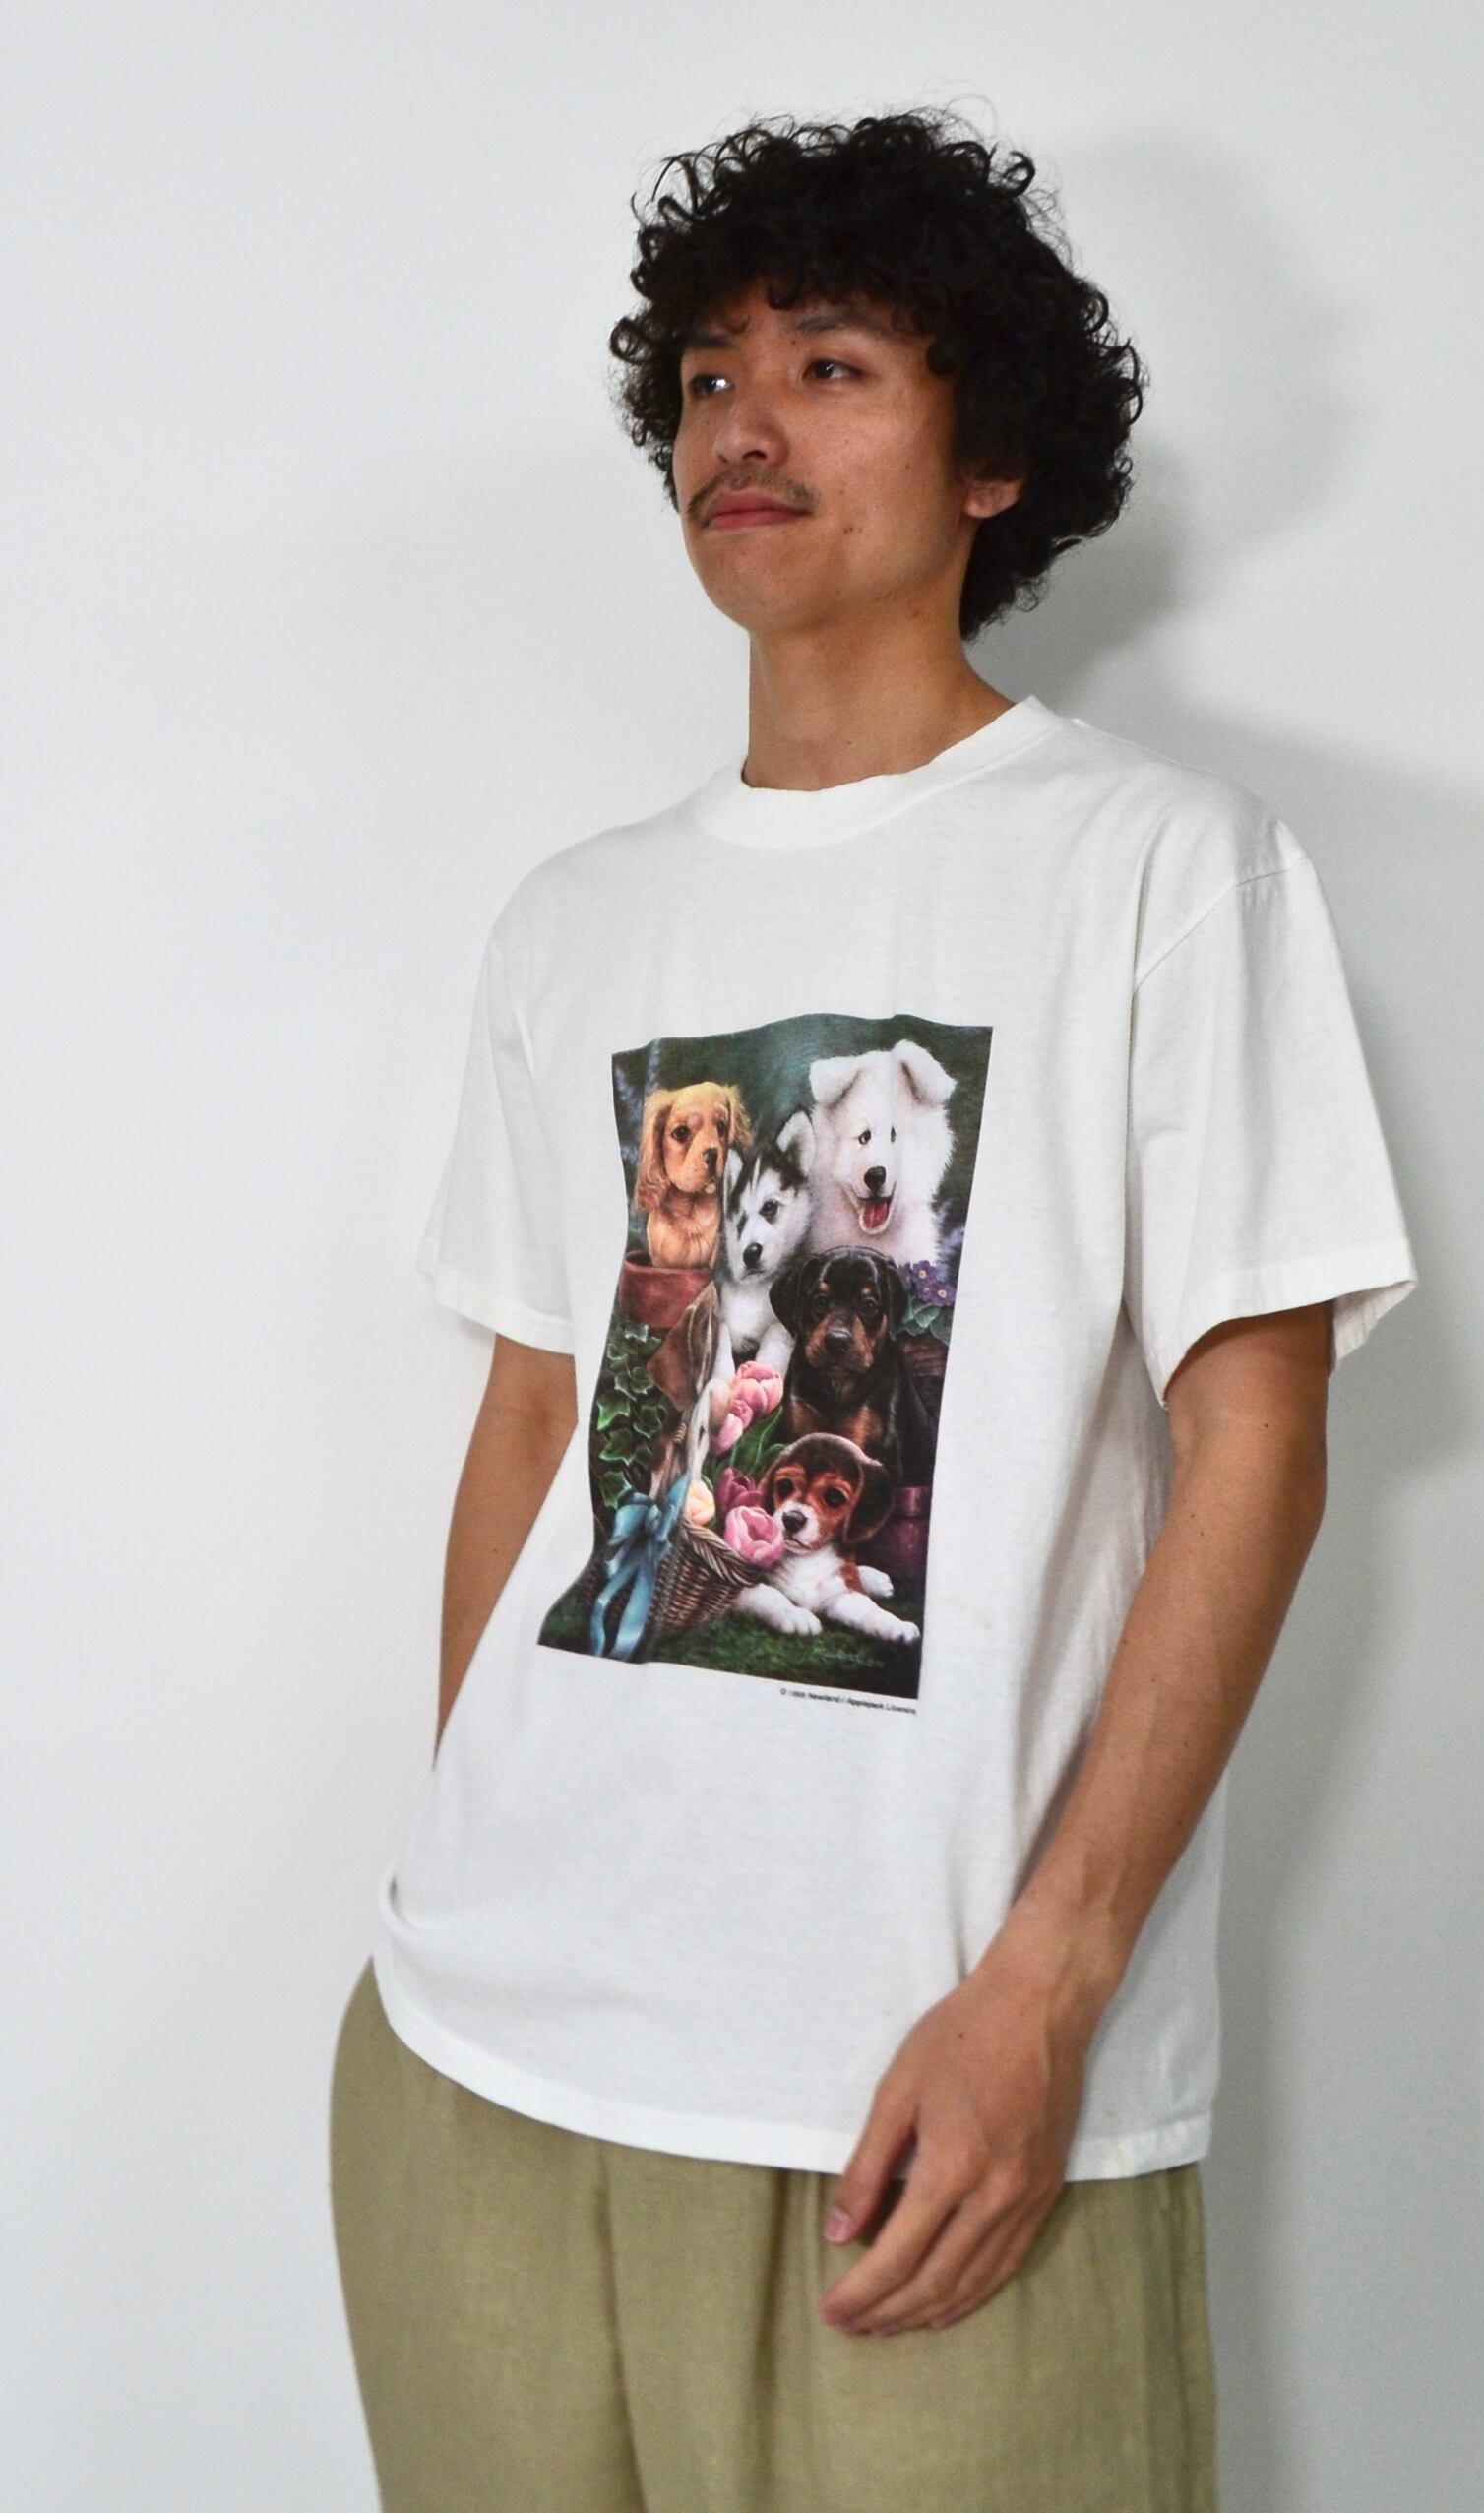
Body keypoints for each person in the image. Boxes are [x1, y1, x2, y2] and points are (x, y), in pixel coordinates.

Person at [329, 106, 1418, 2513]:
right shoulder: (574, 921)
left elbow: (1254, 1437)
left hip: (933, 2092)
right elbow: (534, 1417)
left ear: (989, 453)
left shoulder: (1156, 871)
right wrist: (468, 1843)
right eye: (709, 375)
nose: (744, 423)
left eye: (830, 366)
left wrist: (1046, 1987)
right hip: (488, 2056)